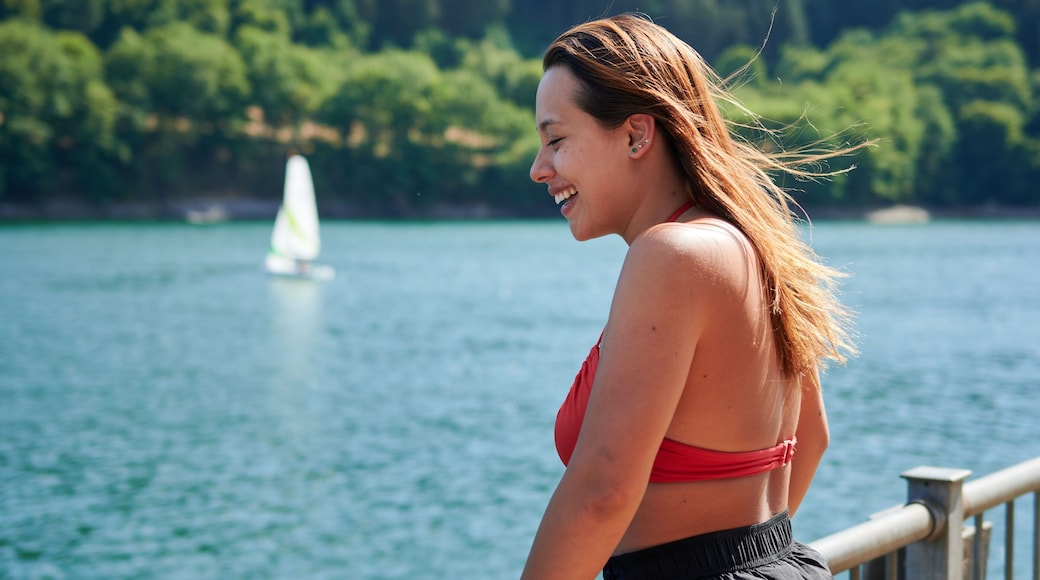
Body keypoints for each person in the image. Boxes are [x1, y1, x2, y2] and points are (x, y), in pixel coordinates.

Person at [522, 13, 861, 580]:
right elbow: (814, 437)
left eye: (556, 140)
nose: (539, 169)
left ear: (636, 134)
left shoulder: (672, 255)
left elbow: (602, 490)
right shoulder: (751, 241)